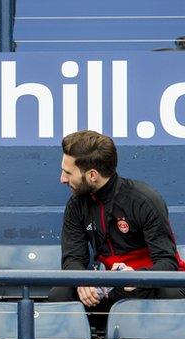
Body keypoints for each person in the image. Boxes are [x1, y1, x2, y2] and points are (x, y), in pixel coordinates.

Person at [49, 130, 185, 323]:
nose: (62, 179)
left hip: (145, 285)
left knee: (171, 292)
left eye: (68, 172)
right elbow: (73, 258)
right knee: (60, 294)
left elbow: (167, 263)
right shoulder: (76, 204)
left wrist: (138, 277)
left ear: (92, 175)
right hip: (106, 286)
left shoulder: (143, 200)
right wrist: (82, 280)